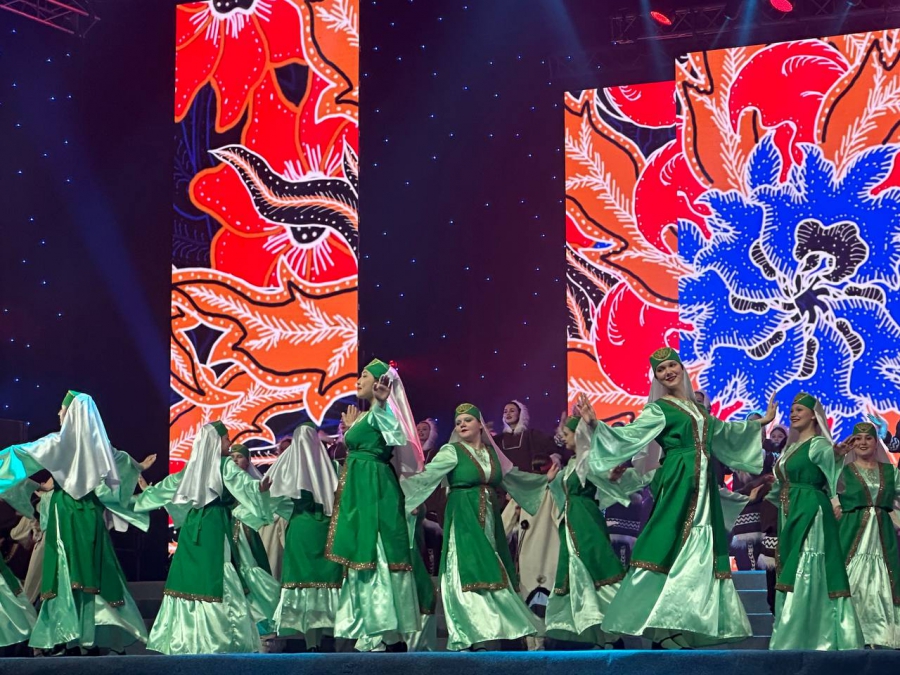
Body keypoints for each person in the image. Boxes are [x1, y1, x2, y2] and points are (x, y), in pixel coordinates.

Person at [587, 347, 774, 649]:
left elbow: (725, 432)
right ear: (657, 378)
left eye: (672, 365)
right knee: (671, 543)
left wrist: (761, 422)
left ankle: (681, 624)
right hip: (678, 479)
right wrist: (596, 426)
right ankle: (662, 628)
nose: (668, 372)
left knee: (697, 549)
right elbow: (631, 434)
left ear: (682, 368)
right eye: (661, 370)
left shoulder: (698, 409)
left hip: (702, 483)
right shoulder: (659, 409)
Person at [0, 391, 152, 654]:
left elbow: (19, 455)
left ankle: (66, 636)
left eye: (62, 409)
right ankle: (87, 638)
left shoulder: (57, 443)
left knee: (65, 570)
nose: (59, 413)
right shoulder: (101, 447)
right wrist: (137, 466)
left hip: (65, 512)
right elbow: (123, 463)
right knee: (91, 569)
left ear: (71, 414)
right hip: (90, 513)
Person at [401, 403, 547, 651]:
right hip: (463, 514)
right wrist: (404, 495)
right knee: (465, 566)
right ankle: (468, 632)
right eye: (458, 422)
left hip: (489, 516)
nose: (462, 425)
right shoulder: (452, 451)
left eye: (468, 420)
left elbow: (512, 477)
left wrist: (544, 482)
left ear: (480, 424)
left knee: (491, 566)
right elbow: (428, 476)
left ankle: (489, 632)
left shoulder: (492, 453)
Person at [135, 420, 274, 654]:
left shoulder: (195, 467)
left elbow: (168, 487)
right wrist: (258, 488)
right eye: (226, 438)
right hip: (212, 526)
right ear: (215, 441)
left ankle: (189, 640)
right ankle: (221, 638)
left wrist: (146, 495)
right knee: (213, 574)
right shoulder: (221, 465)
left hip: (193, 527)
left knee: (196, 578)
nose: (230, 442)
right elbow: (242, 483)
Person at [325, 359, 425, 652]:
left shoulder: (382, 412)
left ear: (380, 383)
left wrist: (381, 405)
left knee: (376, 548)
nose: (358, 379)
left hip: (374, 487)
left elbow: (395, 436)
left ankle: (382, 630)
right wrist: (350, 428)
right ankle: (372, 628)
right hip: (359, 487)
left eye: (365, 375)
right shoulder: (365, 417)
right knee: (362, 549)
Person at [765, 393, 863, 650]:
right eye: (792, 410)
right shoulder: (792, 447)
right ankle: (798, 632)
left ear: (813, 415)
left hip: (810, 509)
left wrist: (835, 498)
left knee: (807, 563)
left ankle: (812, 635)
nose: (793, 413)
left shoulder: (818, 444)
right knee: (793, 564)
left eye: (799, 409)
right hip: (792, 508)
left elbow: (831, 473)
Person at [544, 411, 647, 649]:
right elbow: (563, 493)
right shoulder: (572, 462)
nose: (563, 438)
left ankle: (612, 632)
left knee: (595, 565)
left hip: (586, 520)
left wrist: (612, 476)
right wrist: (551, 481)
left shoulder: (590, 459)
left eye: (567, 434)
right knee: (578, 569)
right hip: (572, 520)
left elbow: (608, 476)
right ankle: (595, 636)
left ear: (579, 434)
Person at [267, 423, 342, 651]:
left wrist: (287, 511)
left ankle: (313, 644)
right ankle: (325, 642)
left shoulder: (288, 466)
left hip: (302, 529)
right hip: (325, 529)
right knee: (325, 585)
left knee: (307, 587)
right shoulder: (332, 466)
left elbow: (271, 497)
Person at [836, 421, 900, 649]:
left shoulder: (891, 472)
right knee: (851, 580)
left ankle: (882, 635)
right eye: (858, 439)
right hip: (851, 532)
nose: (863, 443)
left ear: (876, 442)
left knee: (883, 581)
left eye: (868, 438)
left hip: (883, 536)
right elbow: (824, 485)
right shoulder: (842, 472)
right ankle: (850, 634)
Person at [229, 444, 281, 637]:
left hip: (245, 533)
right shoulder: (225, 482)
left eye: (239, 457)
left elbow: (266, 508)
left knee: (249, 568)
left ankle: (261, 620)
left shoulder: (253, 484)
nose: (235, 460)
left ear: (248, 461)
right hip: (226, 531)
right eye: (232, 457)